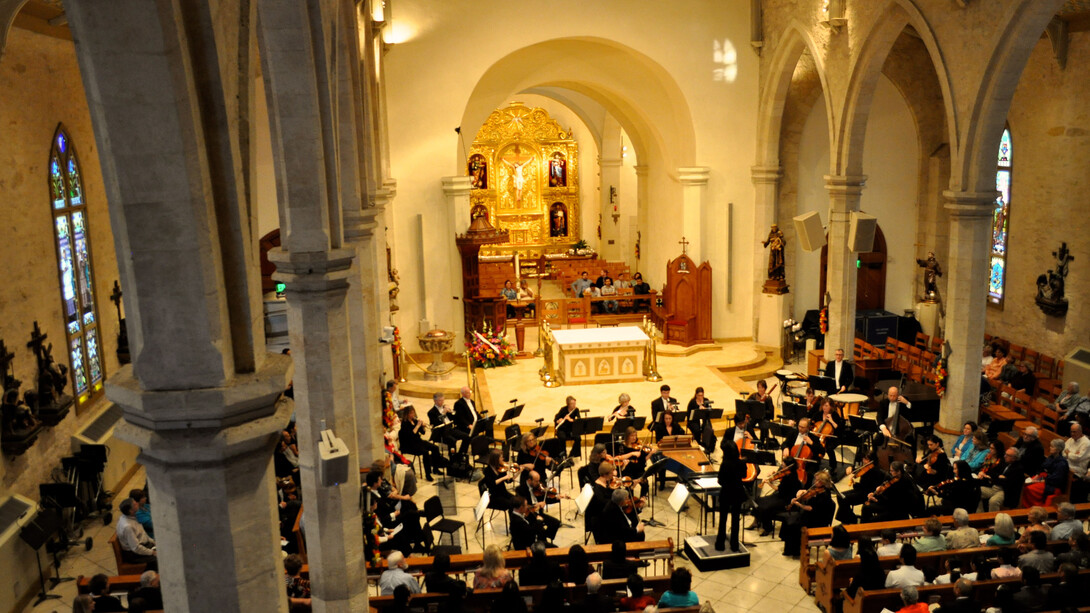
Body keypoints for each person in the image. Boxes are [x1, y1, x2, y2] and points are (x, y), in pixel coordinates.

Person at [781, 469, 835, 557]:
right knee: (789, 521)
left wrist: (798, 504)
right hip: (811, 515)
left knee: (795, 525)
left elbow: (810, 508)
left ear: (822, 482)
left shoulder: (825, 495)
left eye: (817, 480)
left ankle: (796, 550)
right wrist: (802, 493)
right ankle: (790, 549)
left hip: (818, 519)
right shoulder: (816, 489)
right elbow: (809, 498)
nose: (814, 481)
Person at [716, 439, 747, 552]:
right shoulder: (741, 463)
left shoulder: (725, 464)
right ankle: (734, 545)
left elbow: (720, 481)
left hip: (726, 493)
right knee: (735, 520)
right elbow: (744, 476)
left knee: (723, 519)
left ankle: (720, 544)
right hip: (737, 492)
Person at [399, 406, 445, 481]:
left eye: (413, 413)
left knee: (435, 448)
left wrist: (422, 426)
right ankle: (428, 474)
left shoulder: (415, 420)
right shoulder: (404, 423)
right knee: (425, 452)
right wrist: (417, 426)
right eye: (411, 413)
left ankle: (435, 468)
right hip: (409, 444)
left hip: (418, 441)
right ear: (407, 414)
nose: (413, 415)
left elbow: (423, 433)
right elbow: (411, 435)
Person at [515, 470, 562, 542]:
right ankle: (542, 540)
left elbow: (545, 499)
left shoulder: (537, 487)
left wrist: (556, 498)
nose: (539, 483)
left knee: (556, 523)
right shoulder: (520, 489)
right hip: (529, 515)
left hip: (539, 513)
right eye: (536, 481)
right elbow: (523, 507)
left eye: (539, 480)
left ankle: (544, 537)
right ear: (529, 480)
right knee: (540, 530)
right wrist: (536, 505)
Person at [1020, 438, 1069, 507]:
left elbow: (1056, 478)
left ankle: (1030, 506)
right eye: (1050, 446)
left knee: (1029, 488)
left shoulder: (1062, 463)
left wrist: (1040, 480)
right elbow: (1042, 467)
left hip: (1052, 484)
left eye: (1052, 447)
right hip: (1045, 478)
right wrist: (1037, 475)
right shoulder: (1051, 457)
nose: (1050, 448)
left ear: (1058, 449)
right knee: (1026, 484)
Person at [116, 497, 158, 571]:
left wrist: (154, 542)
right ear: (130, 511)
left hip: (143, 545)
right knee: (159, 558)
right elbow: (136, 548)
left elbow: (142, 534)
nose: (137, 504)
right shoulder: (128, 527)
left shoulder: (132, 516)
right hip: (134, 554)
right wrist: (152, 552)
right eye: (135, 504)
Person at [979, 445, 1022, 512]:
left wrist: (995, 478)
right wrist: (999, 477)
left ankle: (992, 520)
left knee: (993, 501)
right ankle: (980, 514)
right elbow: (991, 472)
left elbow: (1007, 483)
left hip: (1005, 491)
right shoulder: (1004, 462)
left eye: (1008, 455)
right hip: (994, 487)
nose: (1005, 456)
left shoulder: (1018, 468)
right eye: (1005, 454)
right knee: (976, 490)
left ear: (1014, 458)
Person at [1064, 423, 1090, 502]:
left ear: (1080, 431)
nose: (1072, 434)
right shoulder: (1070, 439)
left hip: (1078, 469)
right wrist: (1071, 455)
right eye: (1071, 432)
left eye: (1074, 432)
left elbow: (1078, 458)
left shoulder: (1086, 443)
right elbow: (1063, 452)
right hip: (1068, 464)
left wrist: (1068, 453)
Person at [687, 386, 716, 454]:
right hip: (694, 421)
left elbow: (710, 411)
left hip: (704, 421)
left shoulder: (706, 400)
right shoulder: (692, 402)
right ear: (696, 395)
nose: (700, 397)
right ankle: (698, 445)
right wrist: (698, 409)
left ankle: (707, 447)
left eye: (702, 395)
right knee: (697, 431)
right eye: (698, 395)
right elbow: (689, 415)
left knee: (708, 430)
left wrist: (705, 409)